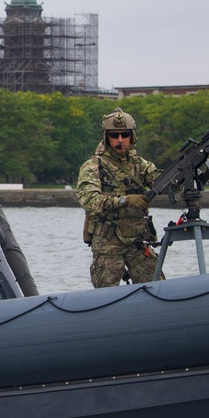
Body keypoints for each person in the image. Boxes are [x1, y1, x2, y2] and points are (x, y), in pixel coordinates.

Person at [76, 108, 163, 288]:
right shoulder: (93, 166)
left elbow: (161, 180)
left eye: (125, 134)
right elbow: (90, 202)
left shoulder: (139, 165)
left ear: (132, 137)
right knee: (106, 295)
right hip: (108, 243)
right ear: (106, 137)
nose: (120, 140)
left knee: (158, 287)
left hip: (137, 241)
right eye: (115, 135)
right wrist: (125, 200)